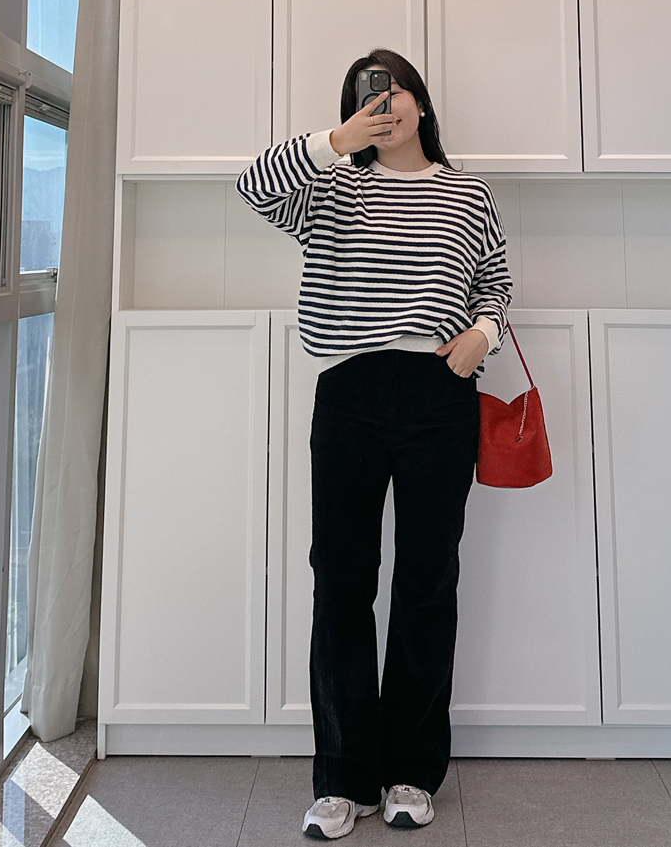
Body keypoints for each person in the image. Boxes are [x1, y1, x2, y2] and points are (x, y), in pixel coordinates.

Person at [236, 48, 512, 840]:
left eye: (394, 94)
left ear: (420, 102)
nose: (384, 107)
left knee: (427, 581)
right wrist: (336, 140)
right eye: (368, 98)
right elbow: (253, 184)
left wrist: (483, 334)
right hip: (350, 393)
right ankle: (342, 778)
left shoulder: (467, 193)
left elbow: (495, 282)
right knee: (341, 581)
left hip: (438, 393)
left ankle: (411, 772)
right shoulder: (330, 186)